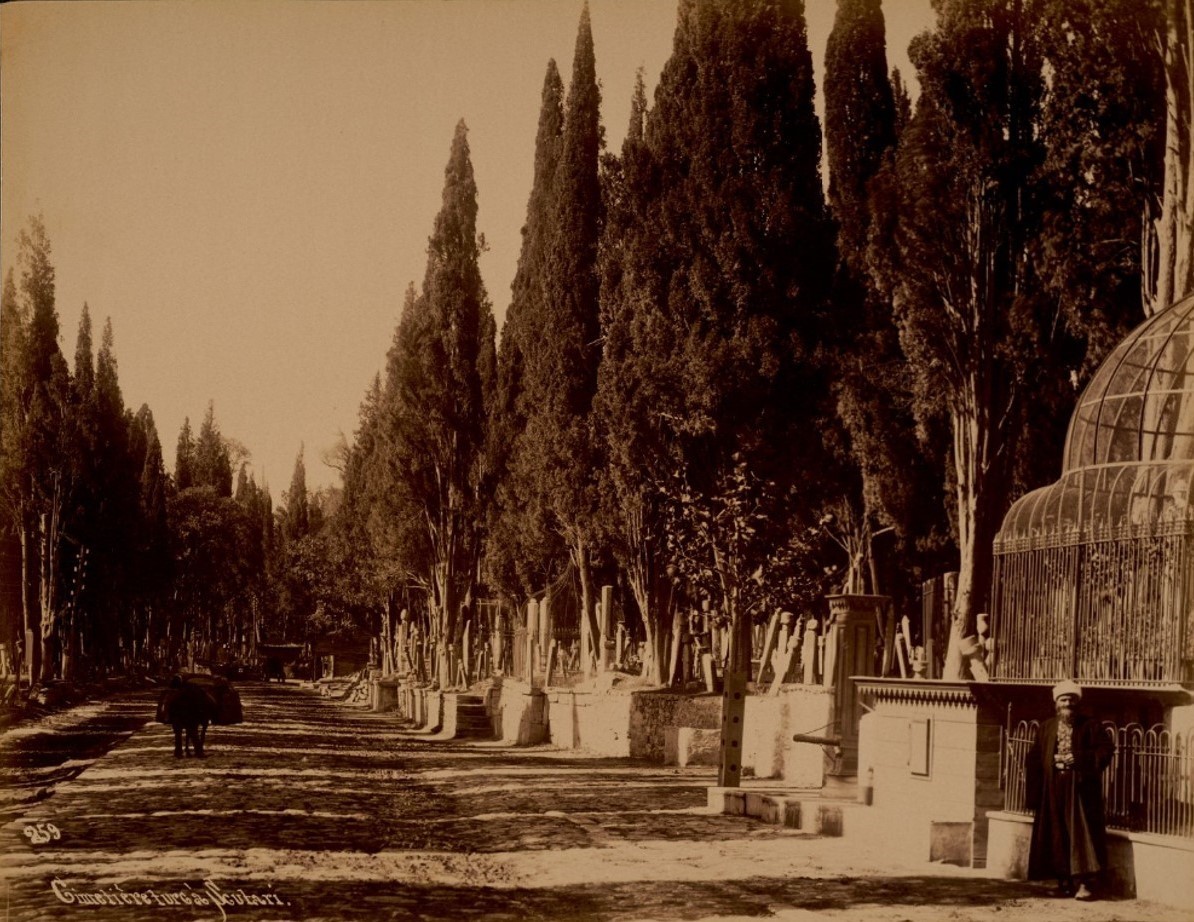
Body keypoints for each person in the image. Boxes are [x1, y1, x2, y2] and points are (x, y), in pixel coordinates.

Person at [1025, 680, 1114, 900]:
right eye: (1063, 700)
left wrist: (1080, 759)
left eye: (1071, 700)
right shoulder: (1046, 727)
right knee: (1056, 833)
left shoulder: (1091, 725)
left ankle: (1084, 884)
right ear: (1056, 703)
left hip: (1080, 790)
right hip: (1053, 787)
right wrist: (1035, 791)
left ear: (1077, 703)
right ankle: (1063, 882)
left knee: (1080, 834)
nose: (1068, 704)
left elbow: (1106, 750)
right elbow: (1034, 757)